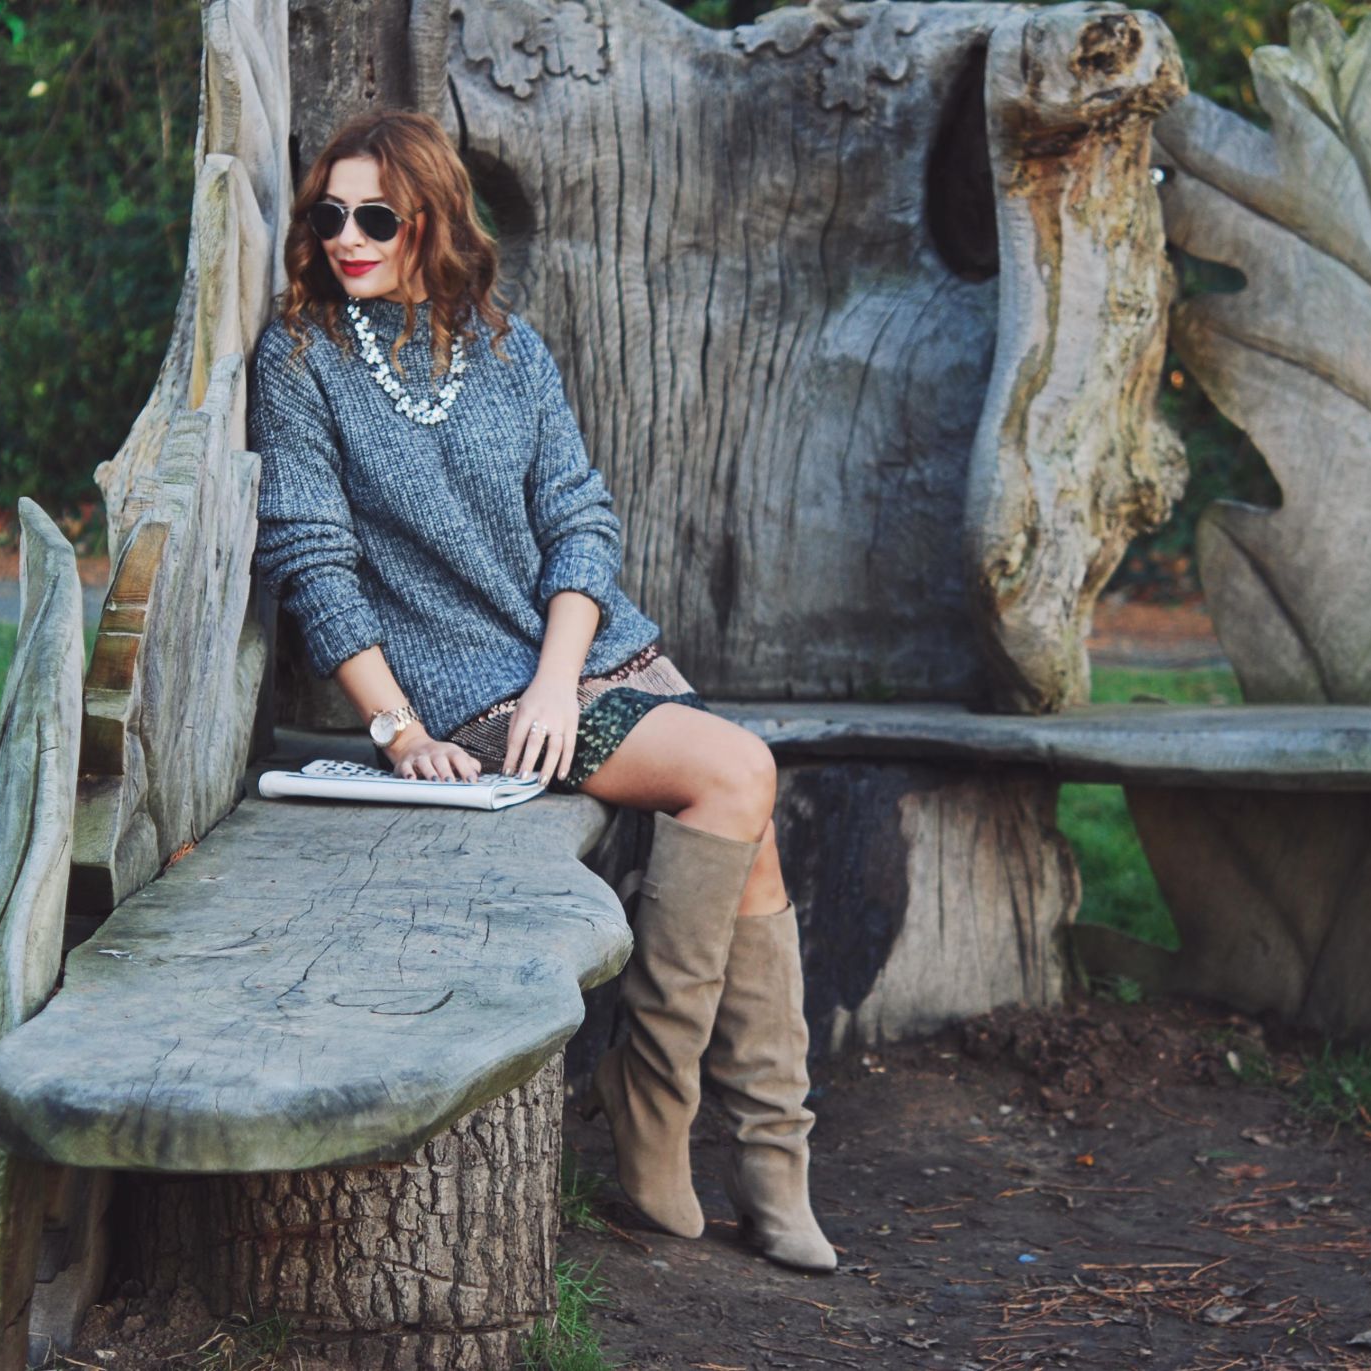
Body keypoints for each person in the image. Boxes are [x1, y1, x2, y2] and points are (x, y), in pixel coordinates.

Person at [247, 109, 836, 1274]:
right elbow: (311, 559)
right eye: (330, 215)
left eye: (377, 217)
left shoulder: (506, 347)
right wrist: (396, 728)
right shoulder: (302, 357)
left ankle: (764, 1157)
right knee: (738, 773)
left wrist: (559, 679)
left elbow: (579, 522)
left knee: (746, 824)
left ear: (431, 220)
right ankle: (670, 1114)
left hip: (579, 666)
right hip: (467, 699)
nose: (348, 238)